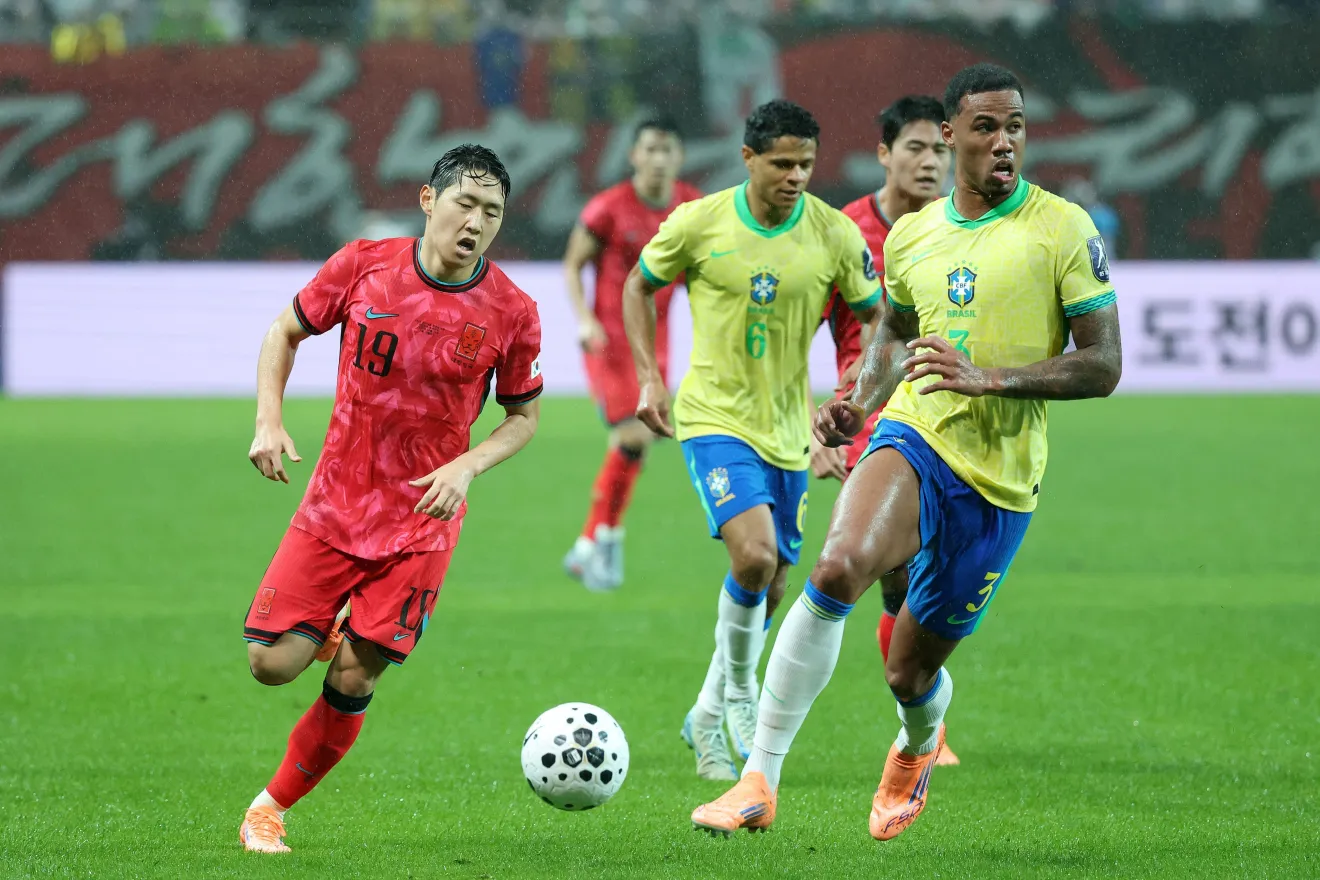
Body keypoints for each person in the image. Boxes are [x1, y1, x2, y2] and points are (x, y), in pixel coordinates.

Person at [691, 63, 1122, 839]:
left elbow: (1104, 364)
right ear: (952, 135)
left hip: (998, 482)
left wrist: (989, 377)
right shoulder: (914, 235)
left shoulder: (1064, 228)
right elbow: (894, 331)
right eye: (986, 128)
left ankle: (917, 745)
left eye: (1015, 127)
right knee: (835, 568)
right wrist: (858, 401)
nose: (1004, 143)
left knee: (909, 672)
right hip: (914, 433)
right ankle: (759, 780)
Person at [238, 144, 543, 854]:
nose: (476, 222)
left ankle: (268, 809)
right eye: (465, 203)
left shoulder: (512, 311)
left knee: (354, 677)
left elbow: (523, 418)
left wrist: (467, 466)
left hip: (423, 524)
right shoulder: (362, 266)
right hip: (335, 506)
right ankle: (330, 628)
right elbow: (284, 331)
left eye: (492, 212)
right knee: (270, 664)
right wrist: (268, 420)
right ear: (428, 200)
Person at [623, 99, 884, 780]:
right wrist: (649, 377)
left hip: (789, 431)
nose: (796, 176)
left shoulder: (833, 233)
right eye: (781, 163)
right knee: (756, 556)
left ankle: (705, 715)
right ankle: (742, 693)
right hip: (713, 418)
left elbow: (874, 317)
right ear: (748, 158)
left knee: (771, 586)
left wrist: (852, 390)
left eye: (806, 164)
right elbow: (637, 286)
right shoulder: (698, 222)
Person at [811, 94, 960, 767]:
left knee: (921, 581)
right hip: (871, 419)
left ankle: (919, 708)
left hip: (947, 420)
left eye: (940, 150)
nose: (930, 162)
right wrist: (814, 427)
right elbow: (796, 328)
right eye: (916, 148)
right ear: (884, 153)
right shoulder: (845, 231)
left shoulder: (961, 230)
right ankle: (921, 721)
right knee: (890, 573)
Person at [562, 118, 702, 591]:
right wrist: (584, 319)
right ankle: (607, 540)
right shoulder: (608, 208)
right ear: (634, 156)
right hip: (611, 341)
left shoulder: (691, 207)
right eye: (650, 149)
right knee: (633, 435)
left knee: (635, 443)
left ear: (679, 157)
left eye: (667, 149)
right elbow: (573, 264)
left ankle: (588, 544)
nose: (659, 158)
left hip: (657, 340)